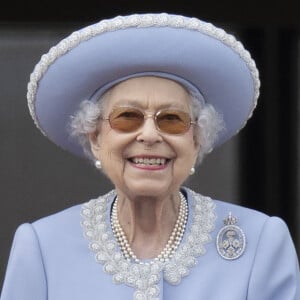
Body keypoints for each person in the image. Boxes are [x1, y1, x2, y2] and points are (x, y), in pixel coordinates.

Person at [1, 13, 299, 300]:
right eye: (127, 117)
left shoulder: (260, 243)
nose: (150, 135)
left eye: (171, 119)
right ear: (95, 138)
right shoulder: (42, 247)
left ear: (196, 140)